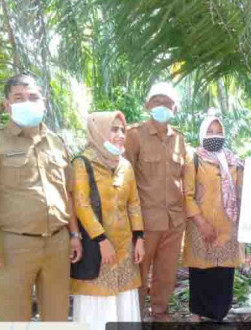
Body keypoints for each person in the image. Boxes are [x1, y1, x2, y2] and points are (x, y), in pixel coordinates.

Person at [0, 74, 82, 321]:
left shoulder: (56, 142)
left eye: (33, 97)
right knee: (12, 317)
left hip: (58, 244)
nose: (27, 102)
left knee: (56, 316)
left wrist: (75, 235)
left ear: (43, 102)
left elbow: (67, 193)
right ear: (6, 105)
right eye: (19, 97)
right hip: (14, 246)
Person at [71, 111, 145, 330]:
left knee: (124, 300)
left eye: (122, 129)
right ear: (98, 131)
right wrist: (101, 240)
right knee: (98, 299)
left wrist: (139, 237)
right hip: (97, 246)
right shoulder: (82, 162)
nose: (120, 134)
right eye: (113, 129)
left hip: (124, 246)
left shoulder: (125, 165)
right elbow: (81, 204)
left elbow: (134, 203)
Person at [124, 82, 188, 321]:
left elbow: (184, 178)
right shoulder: (134, 135)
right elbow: (124, 178)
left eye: (168, 103)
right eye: (157, 101)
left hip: (173, 221)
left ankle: (160, 314)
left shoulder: (179, 139)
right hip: (144, 222)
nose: (162, 106)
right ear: (147, 105)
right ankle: (137, 316)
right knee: (139, 273)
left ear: (176, 107)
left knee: (167, 274)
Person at [182, 113, 245, 321]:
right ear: (202, 133)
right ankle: (198, 314)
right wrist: (201, 223)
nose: (215, 136)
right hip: (201, 227)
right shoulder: (194, 159)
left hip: (228, 229)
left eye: (218, 132)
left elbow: (243, 191)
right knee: (202, 271)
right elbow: (187, 195)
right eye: (210, 131)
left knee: (223, 274)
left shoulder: (234, 161)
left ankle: (219, 315)